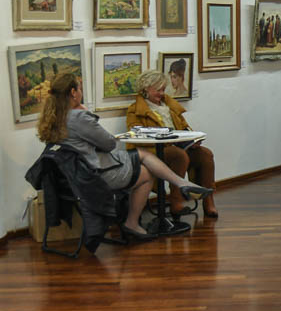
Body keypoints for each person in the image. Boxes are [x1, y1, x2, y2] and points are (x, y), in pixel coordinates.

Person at [36, 73, 212, 241]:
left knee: (143, 156)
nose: (81, 92)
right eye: (80, 89)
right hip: (94, 176)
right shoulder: (78, 117)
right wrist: (86, 113)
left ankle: (182, 184)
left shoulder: (54, 116)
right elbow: (109, 144)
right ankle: (132, 222)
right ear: (73, 93)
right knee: (146, 173)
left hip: (74, 176)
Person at [127, 70, 218, 218]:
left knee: (205, 154)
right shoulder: (135, 110)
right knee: (178, 155)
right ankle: (176, 200)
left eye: (163, 89)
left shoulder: (170, 106)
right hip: (153, 151)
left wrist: (192, 140)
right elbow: (135, 134)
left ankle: (208, 198)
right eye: (158, 90)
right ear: (146, 89)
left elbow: (184, 127)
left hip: (178, 147)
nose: (161, 93)